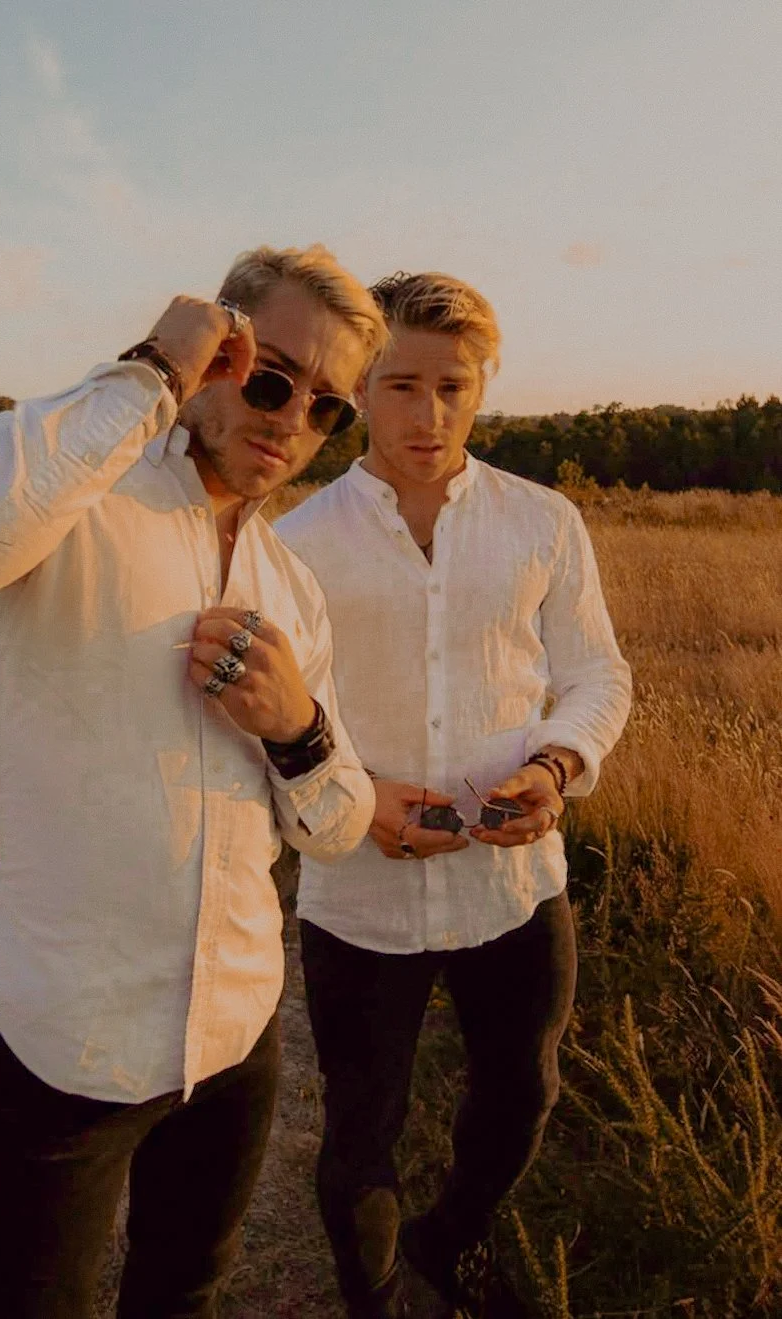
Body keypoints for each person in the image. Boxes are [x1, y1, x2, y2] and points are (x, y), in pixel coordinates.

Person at [0, 244, 390, 1319]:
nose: (290, 418)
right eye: (271, 376)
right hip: (69, 1034)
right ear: (220, 352)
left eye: (327, 407)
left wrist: (295, 727)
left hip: (234, 1035)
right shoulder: (71, 506)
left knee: (182, 1293)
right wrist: (149, 369)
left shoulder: (290, 584)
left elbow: (336, 826)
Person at [276, 270, 632, 1318]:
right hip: (358, 894)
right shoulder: (294, 544)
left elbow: (595, 674)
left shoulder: (544, 520)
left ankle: (446, 1238)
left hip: (514, 886)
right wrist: (358, 795)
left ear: (481, 387)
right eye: (397, 384)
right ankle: (373, 1296)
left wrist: (554, 765)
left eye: (451, 384)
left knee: (522, 1094)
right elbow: (280, 718)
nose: (425, 413)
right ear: (358, 384)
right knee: (359, 1127)